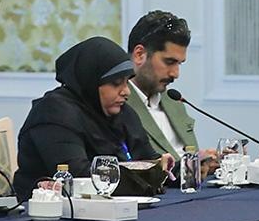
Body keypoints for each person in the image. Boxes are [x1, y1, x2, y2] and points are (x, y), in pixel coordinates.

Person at [12, 36, 161, 196]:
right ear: (91, 80)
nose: (126, 91)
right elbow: (80, 177)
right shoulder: (54, 112)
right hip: (45, 207)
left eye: (126, 82)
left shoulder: (120, 112)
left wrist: (164, 168)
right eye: (116, 83)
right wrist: (145, 180)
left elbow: (148, 160)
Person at [123, 9, 214, 180]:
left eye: (179, 64)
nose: (175, 74)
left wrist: (205, 162)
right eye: (169, 62)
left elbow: (186, 157)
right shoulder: (118, 104)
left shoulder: (174, 100)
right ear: (139, 55)